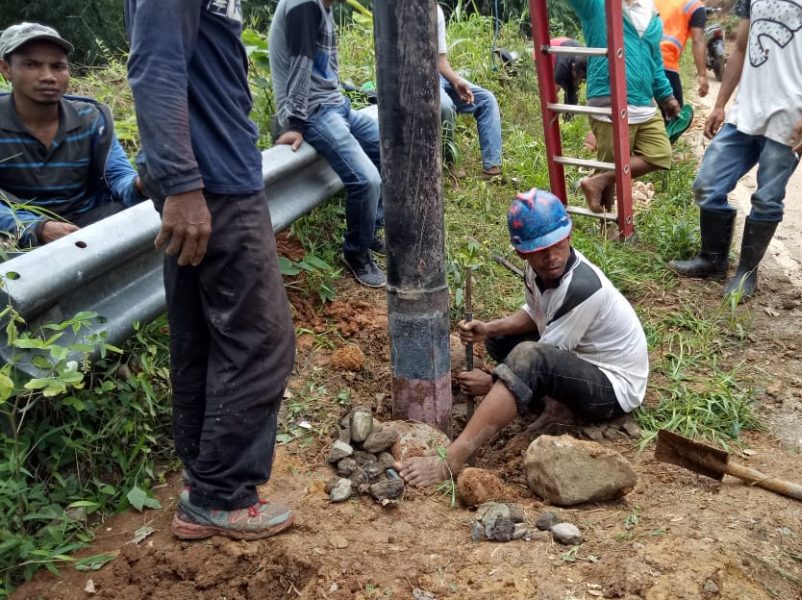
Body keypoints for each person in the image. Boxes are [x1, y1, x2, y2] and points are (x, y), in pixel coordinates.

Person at [126, 0, 297, 539]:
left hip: (213, 179)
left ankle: (203, 479)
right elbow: (155, 66)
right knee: (261, 340)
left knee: (204, 335)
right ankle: (220, 494)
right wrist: (180, 183)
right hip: (213, 186)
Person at [396, 188, 649, 486]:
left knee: (526, 358)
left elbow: (535, 360)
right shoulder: (537, 272)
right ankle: (549, 404)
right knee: (498, 341)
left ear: (568, 237)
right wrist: (489, 329)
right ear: (522, 253)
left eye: (557, 245)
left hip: (613, 389)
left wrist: (491, 383)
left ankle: (451, 460)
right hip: (581, 360)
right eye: (539, 251)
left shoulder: (583, 288)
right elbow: (534, 314)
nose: (551, 257)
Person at [669, 0, 802, 301]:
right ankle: (713, 259)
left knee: (767, 199)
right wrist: (721, 104)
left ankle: (747, 272)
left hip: (788, 117)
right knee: (707, 185)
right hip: (745, 112)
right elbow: (739, 49)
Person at [269, 0, 386, 288]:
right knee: (367, 180)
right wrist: (294, 123)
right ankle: (356, 253)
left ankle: (369, 229)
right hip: (313, 112)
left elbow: (325, 70)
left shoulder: (324, 5)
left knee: (387, 151)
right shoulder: (305, 5)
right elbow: (300, 63)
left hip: (336, 105)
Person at [0, 23, 145, 248]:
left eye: (58, 66)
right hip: (18, 230)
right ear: (6, 69)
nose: (48, 76)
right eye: (32, 65)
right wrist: (37, 228)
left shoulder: (91, 117)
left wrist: (140, 184)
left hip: (88, 218)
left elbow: (117, 175)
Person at [568, 0, 681, 214]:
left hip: (644, 105)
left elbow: (655, 61)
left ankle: (597, 182)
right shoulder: (597, 6)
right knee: (609, 162)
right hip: (608, 101)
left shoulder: (651, 13)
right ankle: (607, 226)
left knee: (661, 154)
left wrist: (666, 95)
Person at [436, 4, 503, 179]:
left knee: (486, 100)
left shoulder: (434, 12)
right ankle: (450, 161)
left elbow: (440, 61)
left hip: (438, 76)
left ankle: (493, 168)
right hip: (411, 79)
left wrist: (457, 81)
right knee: (444, 105)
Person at [653, 0, 710, 106]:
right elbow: (697, 41)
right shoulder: (694, 5)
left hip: (640, 61)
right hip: (666, 63)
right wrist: (702, 75)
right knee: (676, 117)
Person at [551, 37, 588, 110]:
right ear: (573, 68)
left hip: (567, 48)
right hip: (545, 55)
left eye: (582, 78)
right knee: (552, 93)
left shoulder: (586, 60)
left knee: (572, 92)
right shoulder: (562, 66)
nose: (579, 81)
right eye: (578, 77)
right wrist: (554, 109)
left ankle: (569, 118)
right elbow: (552, 92)